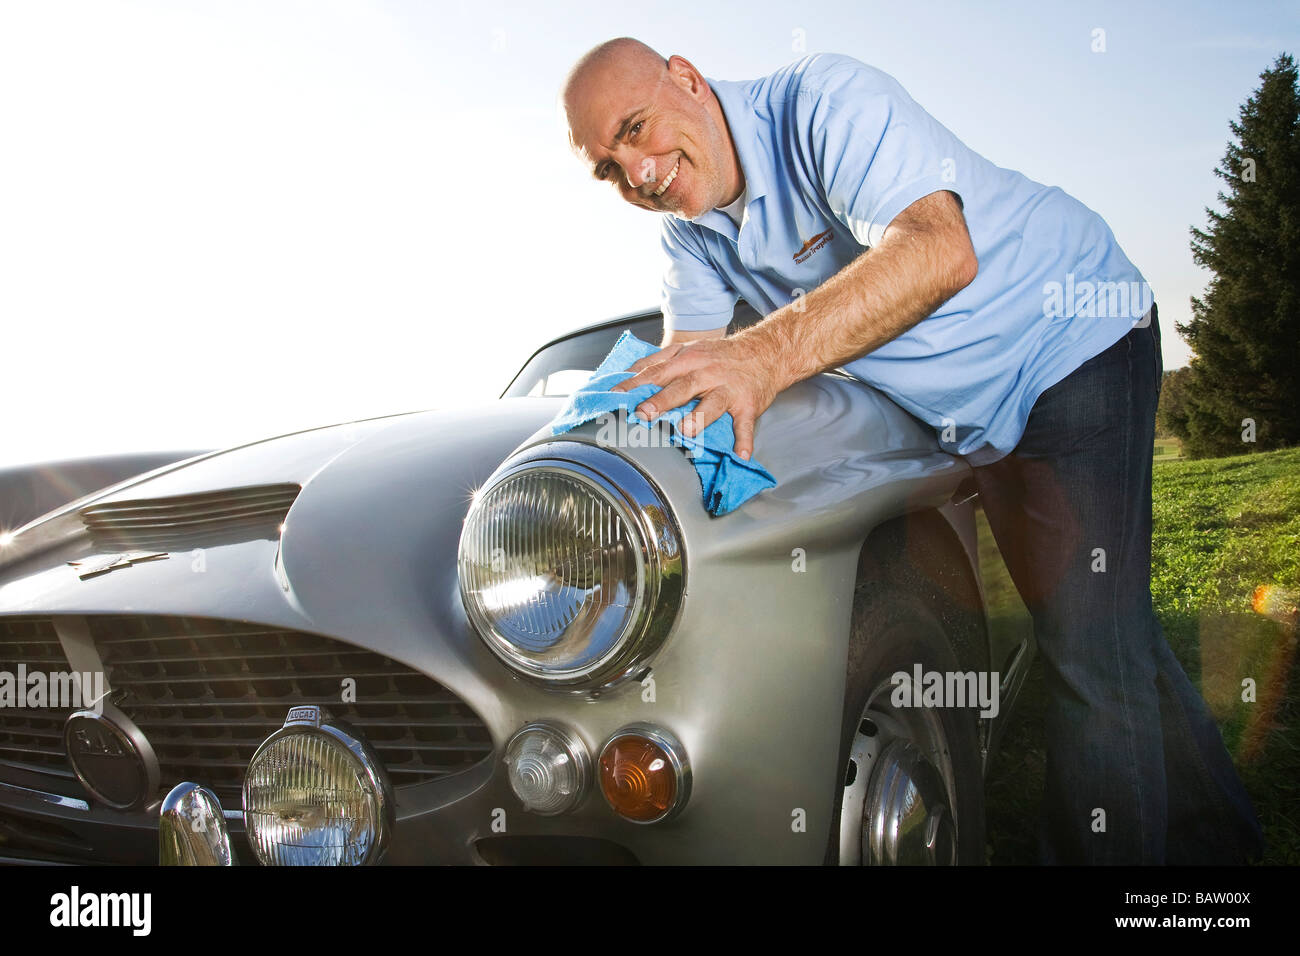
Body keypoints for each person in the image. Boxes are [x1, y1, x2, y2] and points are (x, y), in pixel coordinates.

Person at [560, 36, 1264, 865]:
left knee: (1087, 649)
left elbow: (939, 248)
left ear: (685, 78)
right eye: (609, 169)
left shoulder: (820, 101)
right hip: (975, 418)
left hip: (1072, 340)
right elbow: (690, 382)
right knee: (1101, 628)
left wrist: (764, 356)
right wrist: (586, 488)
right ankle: (1225, 838)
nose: (639, 174)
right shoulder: (691, 239)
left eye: (635, 129)